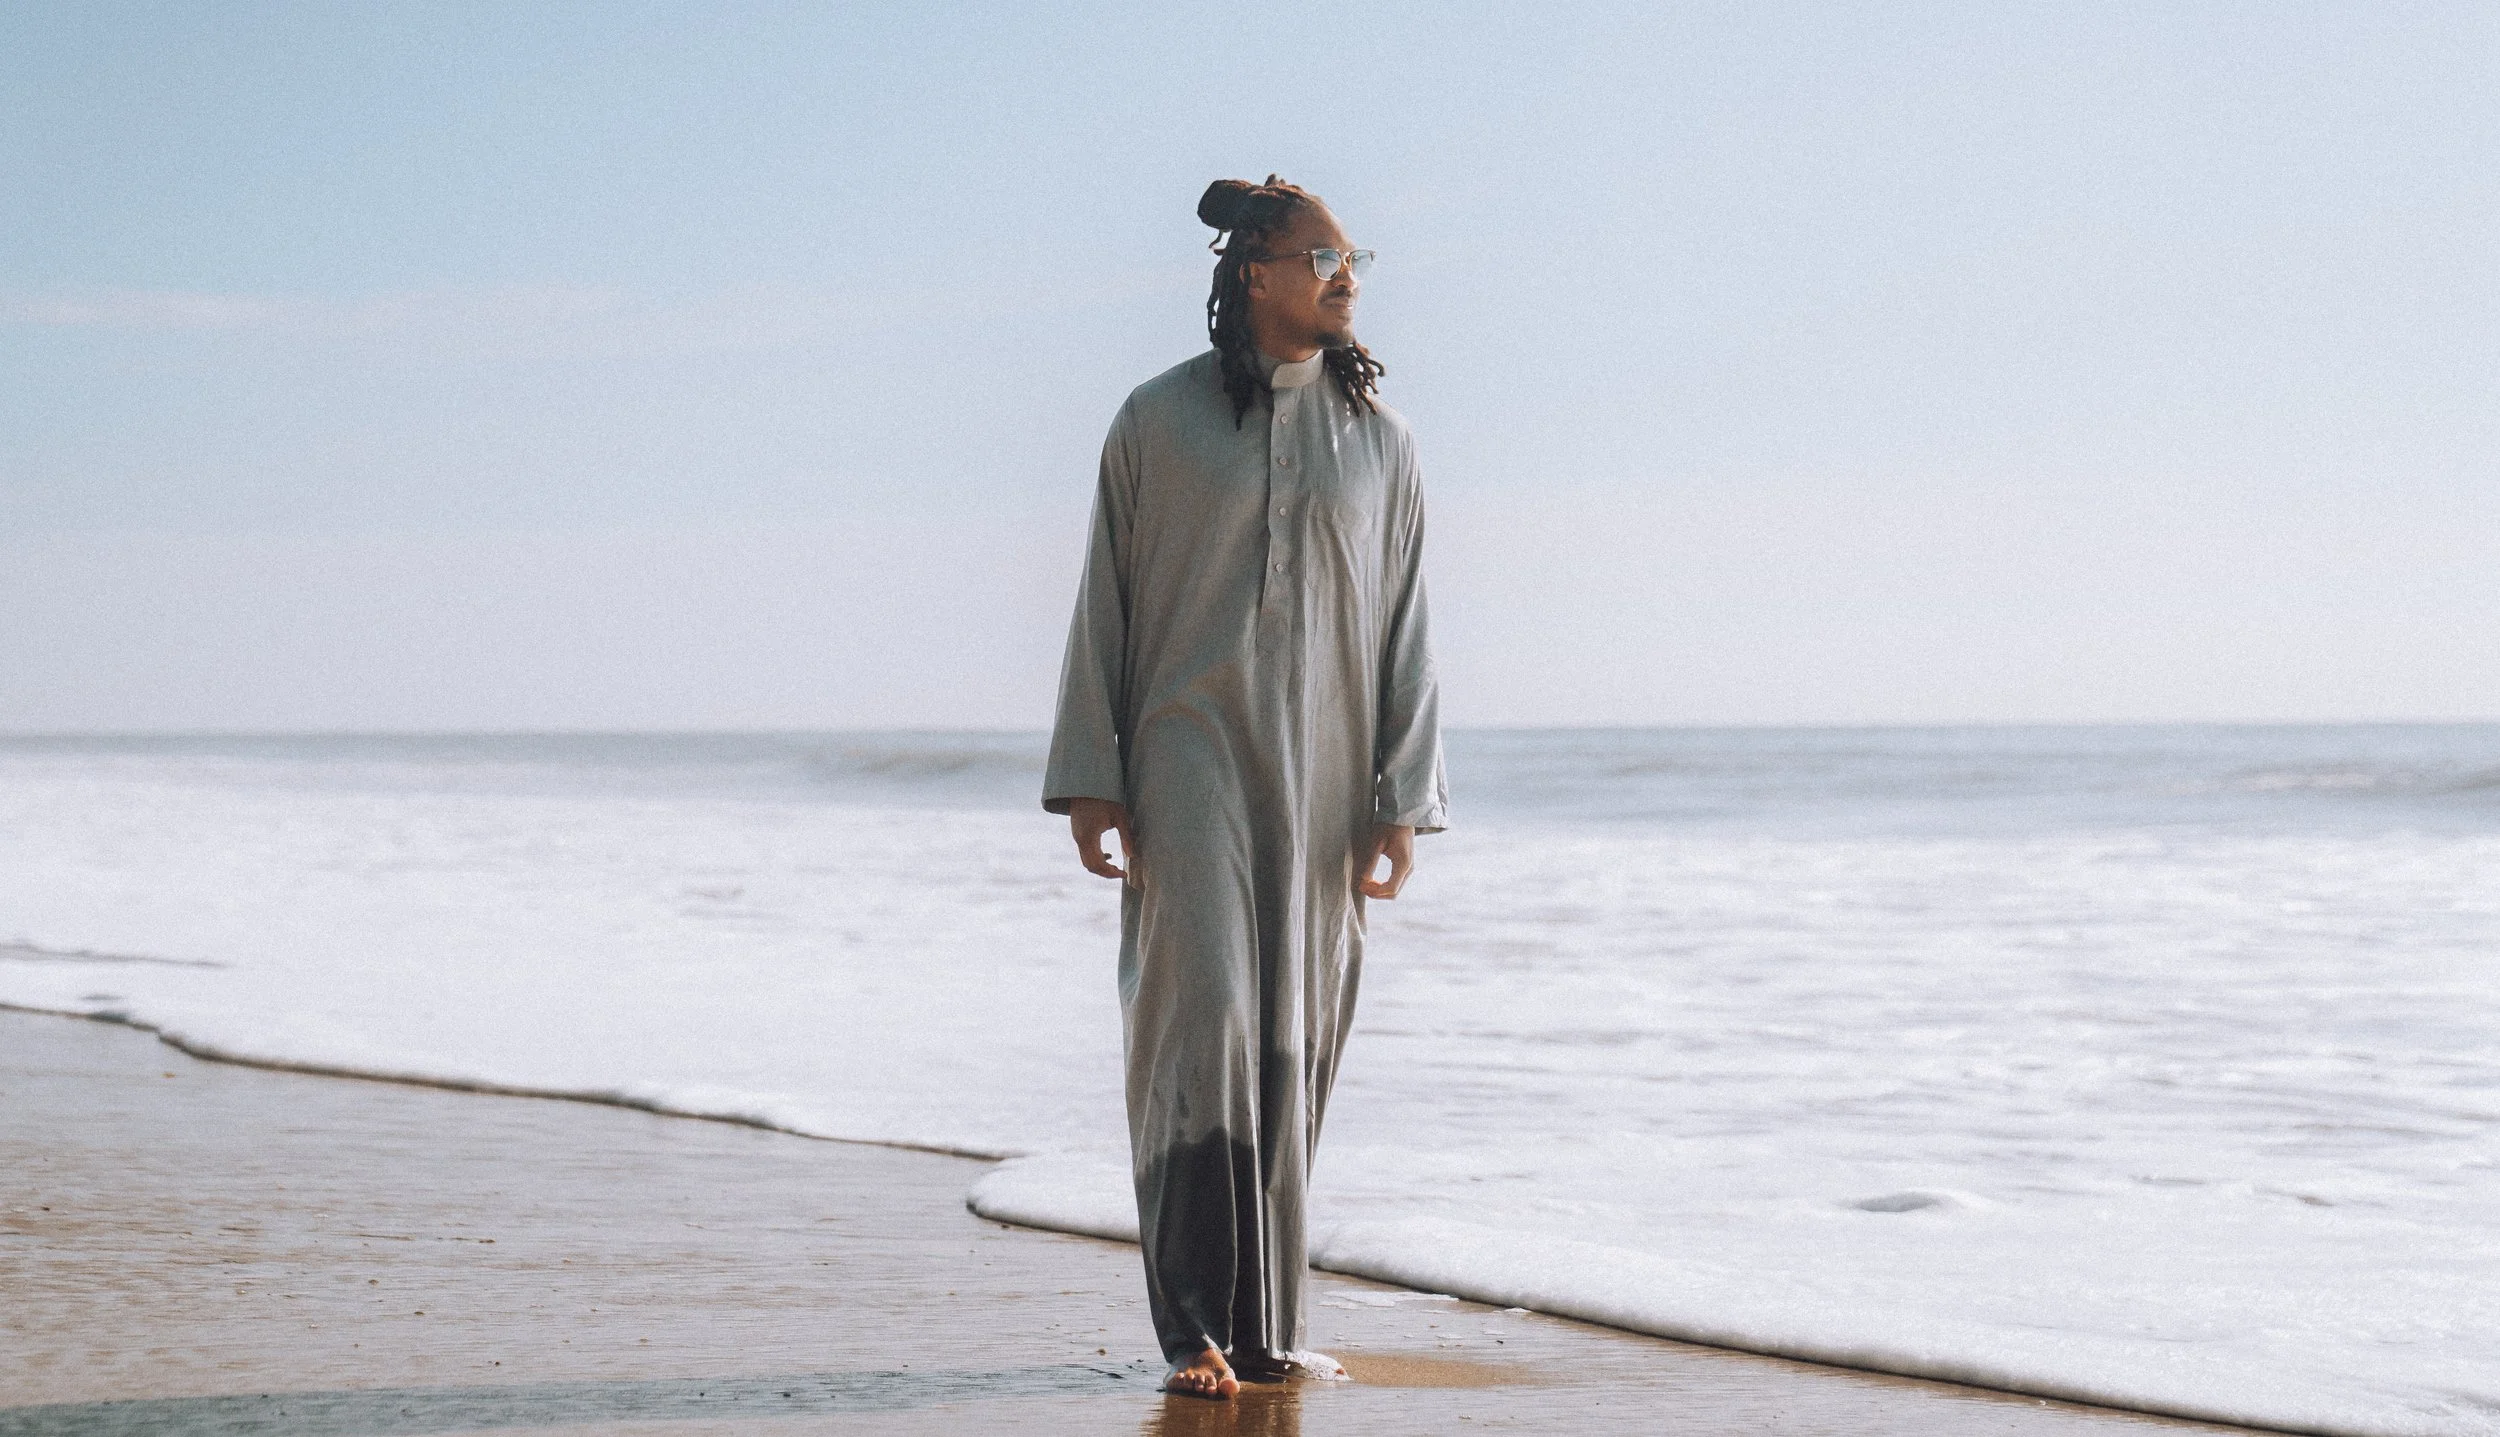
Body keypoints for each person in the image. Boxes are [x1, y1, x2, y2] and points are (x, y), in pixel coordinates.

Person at [1042, 175, 1449, 1400]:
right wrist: (1090, 778)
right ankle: (1193, 1327)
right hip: (1184, 754)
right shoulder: (1155, 420)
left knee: (1294, 1037)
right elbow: (1103, 601)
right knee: (1201, 1021)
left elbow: (1407, 626)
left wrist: (1402, 793)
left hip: (1327, 772)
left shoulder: (1381, 439)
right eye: (1323, 256)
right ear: (1254, 271)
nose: (1346, 278)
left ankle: (1269, 1325)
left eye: (1352, 258)